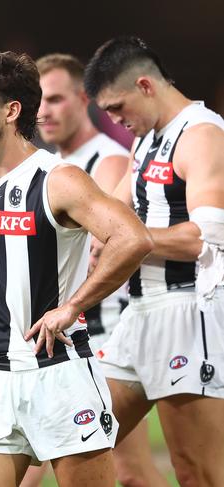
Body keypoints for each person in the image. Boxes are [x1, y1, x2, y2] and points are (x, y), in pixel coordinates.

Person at [0, 50, 153, 487]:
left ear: (11, 111)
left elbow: (133, 238)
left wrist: (72, 306)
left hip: (60, 376)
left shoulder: (58, 178)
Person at [84, 36, 224, 487]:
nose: (115, 121)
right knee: (80, 439)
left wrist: (130, 240)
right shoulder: (144, 140)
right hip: (138, 316)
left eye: (117, 108)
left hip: (188, 314)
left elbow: (206, 236)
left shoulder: (202, 134)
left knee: (196, 470)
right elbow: (108, 210)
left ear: (145, 85)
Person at [31, 53, 168, 487]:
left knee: (50, 460)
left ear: (83, 97)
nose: (43, 111)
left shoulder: (106, 162)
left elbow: (103, 247)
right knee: (127, 471)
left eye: (54, 99)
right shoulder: (44, 165)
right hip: (62, 332)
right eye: (37, 100)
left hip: (99, 333)